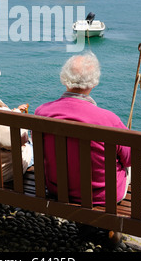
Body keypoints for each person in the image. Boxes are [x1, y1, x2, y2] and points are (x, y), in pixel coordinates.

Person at [35, 53, 131, 205]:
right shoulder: (109, 119)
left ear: (64, 79)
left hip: (57, 189)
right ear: (94, 83)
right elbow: (129, 159)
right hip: (102, 196)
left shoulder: (41, 112)